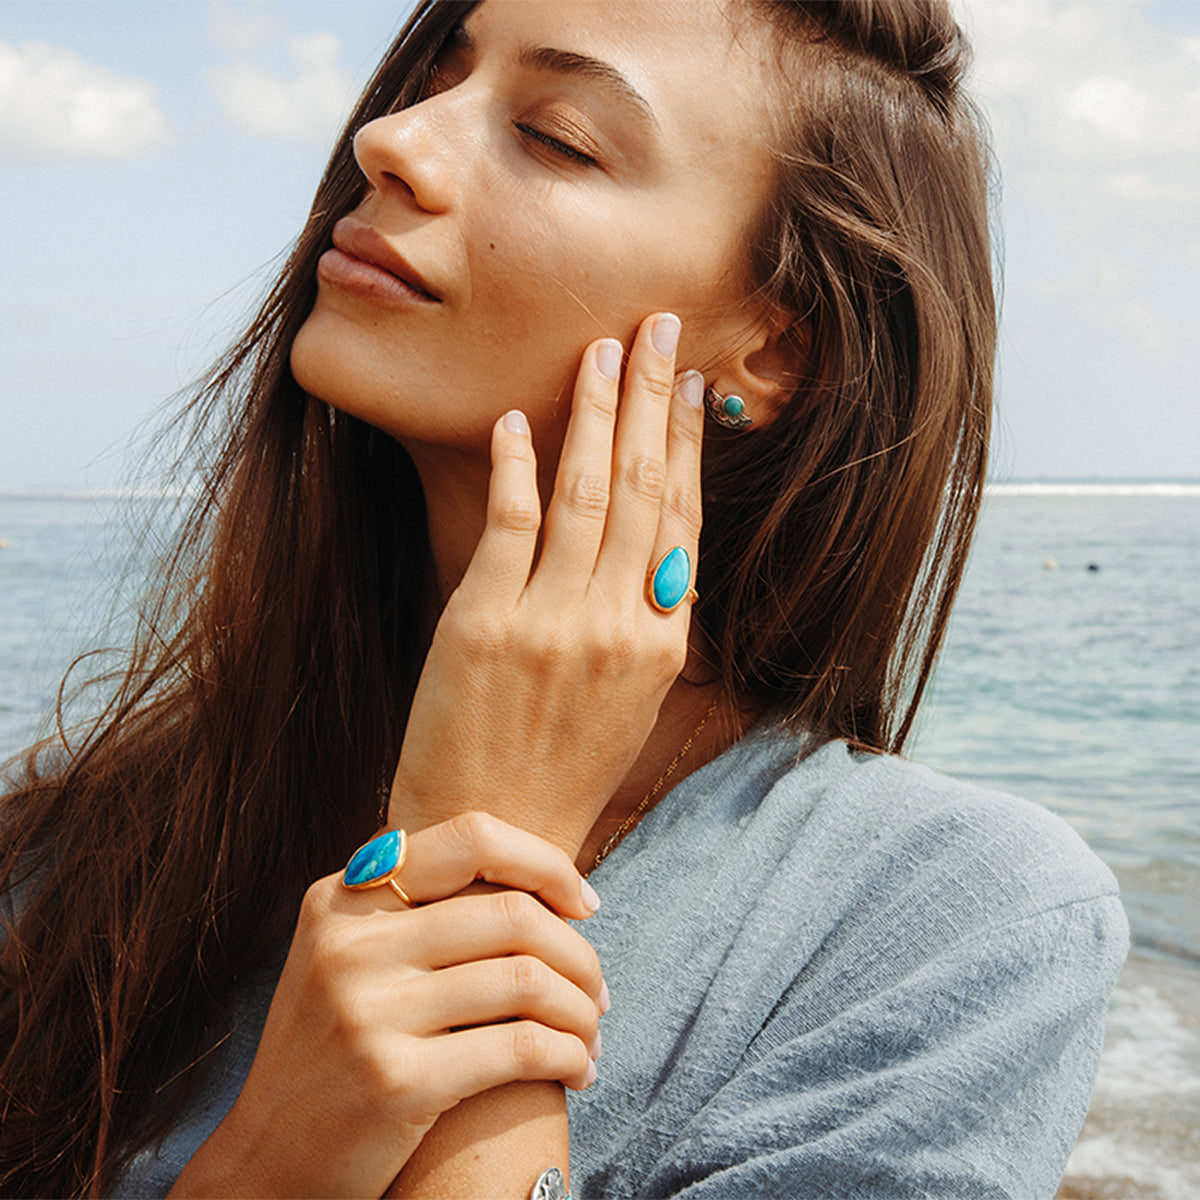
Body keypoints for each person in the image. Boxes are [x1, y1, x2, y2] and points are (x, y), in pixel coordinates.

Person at [0, 1, 1127, 1197]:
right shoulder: (70, 857)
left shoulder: (953, 926)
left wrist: (489, 833)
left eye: (559, 137)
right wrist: (274, 1160)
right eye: (435, 79)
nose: (396, 140)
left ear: (774, 353)